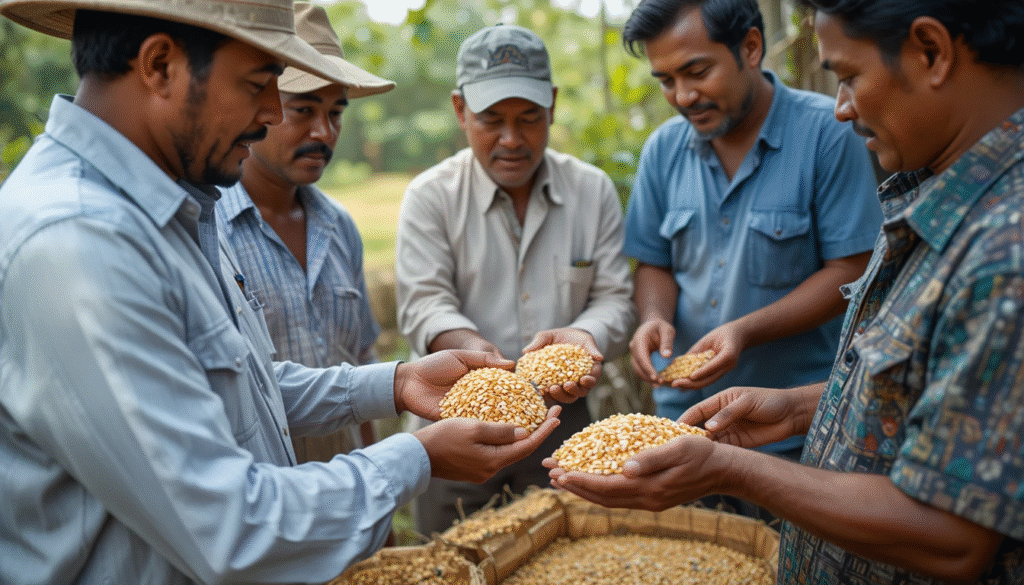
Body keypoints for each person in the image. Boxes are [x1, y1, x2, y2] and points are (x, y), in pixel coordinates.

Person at [0, 2, 561, 584]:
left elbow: (242, 385)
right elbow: (232, 528)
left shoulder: (173, 207)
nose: (271, 113)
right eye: (257, 82)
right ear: (160, 65)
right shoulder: (82, 243)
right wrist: (417, 457)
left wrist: (395, 383)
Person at [547, 0, 1024, 583]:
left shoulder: (1004, 249)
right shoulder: (947, 197)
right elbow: (925, 388)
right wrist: (802, 407)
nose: (844, 106)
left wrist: (730, 467)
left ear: (931, 52)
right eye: (666, 80)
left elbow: (953, 536)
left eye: (848, 76)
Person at [619, 0, 882, 518]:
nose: (683, 96)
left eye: (697, 71)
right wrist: (653, 319)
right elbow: (654, 263)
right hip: (679, 423)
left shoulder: (829, 135)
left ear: (751, 47)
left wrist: (744, 331)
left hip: (789, 431)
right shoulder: (663, 150)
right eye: (666, 80)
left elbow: (851, 271)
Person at [395, 24, 636, 535]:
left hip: (563, 426)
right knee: (453, 556)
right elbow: (424, 303)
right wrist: (479, 360)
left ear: (551, 105)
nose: (512, 139)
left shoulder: (590, 192)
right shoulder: (431, 197)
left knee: (563, 557)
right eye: (491, 120)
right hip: (454, 427)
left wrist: (584, 337)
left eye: (529, 118)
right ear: (460, 111)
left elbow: (616, 298)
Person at [217, 3, 393, 465]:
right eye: (304, 109)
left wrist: (380, 486)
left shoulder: (340, 228)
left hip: (350, 486)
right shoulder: (211, 232)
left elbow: (361, 362)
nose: (324, 131)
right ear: (264, 106)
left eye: (336, 112)